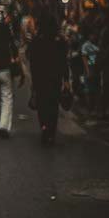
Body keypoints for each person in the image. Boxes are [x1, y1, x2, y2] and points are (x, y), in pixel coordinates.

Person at [28, 13, 69, 145]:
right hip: (55, 78)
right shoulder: (60, 41)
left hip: (40, 78)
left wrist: (33, 80)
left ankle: (44, 126)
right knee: (53, 104)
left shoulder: (36, 41)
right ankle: (51, 130)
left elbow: (31, 61)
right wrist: (66, 80)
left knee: (42, 103)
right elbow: (64, 62)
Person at [80, 29, 100, 114]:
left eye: (94, 35)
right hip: (89, 67)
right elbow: (84, 58)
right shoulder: (85, 45)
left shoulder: (97, 44)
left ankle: (95, 108)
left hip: (96, 68)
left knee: (95, 88)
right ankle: (89, 108)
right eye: (92, 35)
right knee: (88, 89)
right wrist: (88, 70)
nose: (94, 36)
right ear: (89, 36)